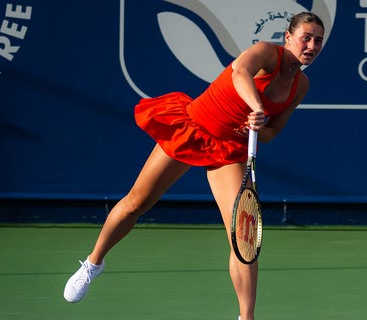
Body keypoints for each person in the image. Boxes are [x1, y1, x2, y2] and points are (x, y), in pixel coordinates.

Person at [63, 12, 325, 320]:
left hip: (229, 150)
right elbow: (240, 71)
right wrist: (257, 106)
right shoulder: (268, 53)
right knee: (136, 203)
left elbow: (271, 134)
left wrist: (257, 125)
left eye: (318, 40)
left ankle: (246, 317)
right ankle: (93, 263)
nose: (311, 45)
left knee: (244, 236)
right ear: (289, 37)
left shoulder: (301, 85)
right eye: (306, 37)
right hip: (195, 126)